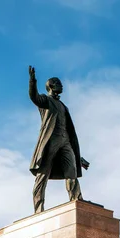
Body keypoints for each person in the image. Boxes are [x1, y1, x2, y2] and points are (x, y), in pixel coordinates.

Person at [28, 65, 89, 213]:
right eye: (58, 83)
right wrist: (32, 81)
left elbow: (70, 131)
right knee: (42, 176)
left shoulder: (63, 106)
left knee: (72, 172)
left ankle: (76, 200)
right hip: (51, 141)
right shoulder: (46, 101)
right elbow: (34, 97)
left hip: (65, 141)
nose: (61, 86)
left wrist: (78, 157)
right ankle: (38, 208)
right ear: (51, 86)